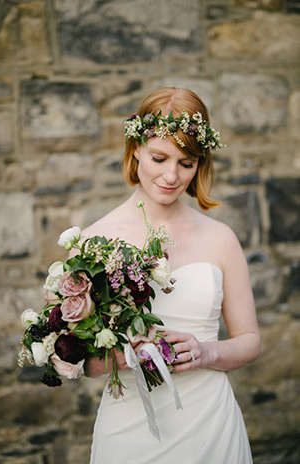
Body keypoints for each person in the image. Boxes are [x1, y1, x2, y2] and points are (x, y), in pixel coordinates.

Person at [75, 87, 261, 463]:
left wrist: (207, 351)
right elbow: (85, 364)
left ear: (200, 164)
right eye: (159, 158)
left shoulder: (220, 238)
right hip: (129, 429)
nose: (172, 176)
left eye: (187, 163)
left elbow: (250, 340)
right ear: (135, 150)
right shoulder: (94, 242)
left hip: (210, 423)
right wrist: (125, 355)